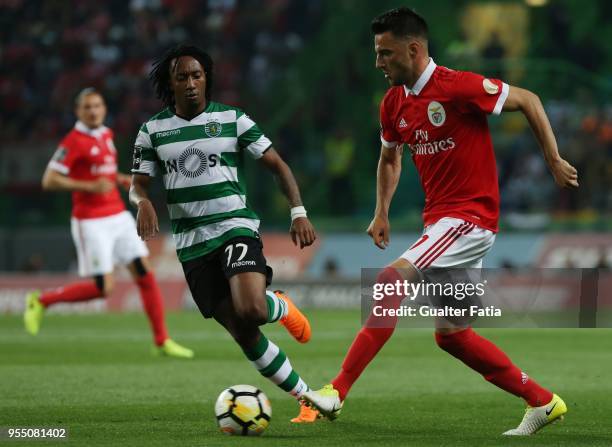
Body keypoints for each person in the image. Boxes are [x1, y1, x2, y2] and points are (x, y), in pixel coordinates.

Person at [302, 8, 579, 436]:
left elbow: (529, 100)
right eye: (377, 53)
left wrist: (553, 159)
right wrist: (381, 212)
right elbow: (390, 158)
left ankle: (336, 391)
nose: (378, 62)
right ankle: (543, 401)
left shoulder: (458, 86)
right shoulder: (394, 102)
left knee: (389, 282)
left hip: (469, 218)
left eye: (385, 53)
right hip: (443, 223)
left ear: (413, 50)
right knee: (453, 335)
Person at [129, 45, 319, 422]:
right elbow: (138, 185)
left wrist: (298, 211)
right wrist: (143, 202)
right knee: (243, 331)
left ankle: (276, 304)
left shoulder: (234, 119)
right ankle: (308, 399)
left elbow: (277, 165)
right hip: (191, 245)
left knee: (252, 308)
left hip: (234, 227)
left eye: (197, 75)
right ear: (170, 82)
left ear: (207, 79)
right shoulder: (152, 131)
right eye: (181, 77)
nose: (190, 83)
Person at [24, 88, 194, 360]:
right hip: (90, 221)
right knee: (104, 288)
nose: (93, 111)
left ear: (104, 108)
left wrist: (119, 178)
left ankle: (162, 340)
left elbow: (100, 170)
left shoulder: (106, 134)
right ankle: (41, 300)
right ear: (78, 111)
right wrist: (88, 185)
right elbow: (49, 179)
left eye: (98, 105)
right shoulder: (73, 141)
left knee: (145, 273)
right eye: (88, 107)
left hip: (117, 215)